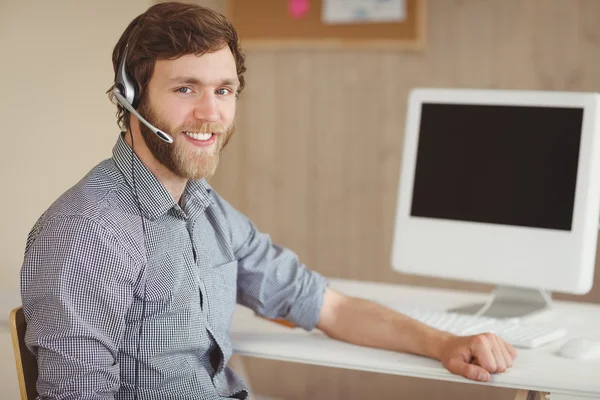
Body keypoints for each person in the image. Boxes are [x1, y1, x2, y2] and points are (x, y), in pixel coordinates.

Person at [20, 2, 517, 399]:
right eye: (185, 88)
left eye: (224, 90)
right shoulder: (88, 230)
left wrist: (445, 344)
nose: (210, 113)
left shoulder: (206, 209)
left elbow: (327, 307)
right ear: (130, 98)